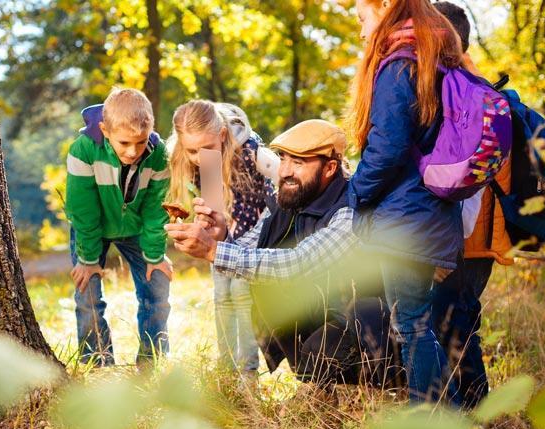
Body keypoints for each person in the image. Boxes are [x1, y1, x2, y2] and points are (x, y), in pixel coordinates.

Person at [166, 120, 403, 388]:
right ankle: (326, 385)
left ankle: (379, 388)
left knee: (320, 352)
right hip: (324, 313)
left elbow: (297, 263)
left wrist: (212, 250)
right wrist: (221, 237)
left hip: (370, 325)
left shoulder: (350, 210)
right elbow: (253, 248)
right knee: (294, 331)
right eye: (283, 158)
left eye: (299, 162)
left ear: (330, 168)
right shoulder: (291, 198)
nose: (285, 170)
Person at [346, 0, 464, 403]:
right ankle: (442, 415)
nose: (362, 32)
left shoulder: (400, 66)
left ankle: (431, 420)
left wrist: (355, 192)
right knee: (415, 321)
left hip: (407, 216)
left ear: (385, 7)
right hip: (429, 212)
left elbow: (387, 147)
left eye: (364, 19)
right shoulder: (436, 59)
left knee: (412, 324)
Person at [431, 1, 514, 409]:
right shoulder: (469, 82)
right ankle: (469, 412)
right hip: (472, 231)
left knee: (454, 323)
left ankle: (477, 416)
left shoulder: (466, 89)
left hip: (469, 232)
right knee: (456, 320)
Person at [65, 87, 172, 368]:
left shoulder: (159, 154)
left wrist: (154, 255)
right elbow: (83, 210)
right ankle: (98, 363)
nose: (133, 151)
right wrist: (88, 259)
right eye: (124, 143)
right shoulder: (84, 150)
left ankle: (153, 362)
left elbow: (155, 210)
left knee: (157, 288)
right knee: (87, 296)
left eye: (140, 142)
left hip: (136, 227)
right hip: (93, 230)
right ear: (105, 130)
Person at [167, 100, 273, 375]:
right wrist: (203, 223)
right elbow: (215, 206)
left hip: (255, 237)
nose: (200, 157)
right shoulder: (203, 158)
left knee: (240, 293)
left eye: (207, 149)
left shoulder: (251, 152)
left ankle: (248, 374)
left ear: (222, 135)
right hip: (223, 238)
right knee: (221, 295)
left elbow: (278, 197)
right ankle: (225, 370)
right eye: (192, 151)